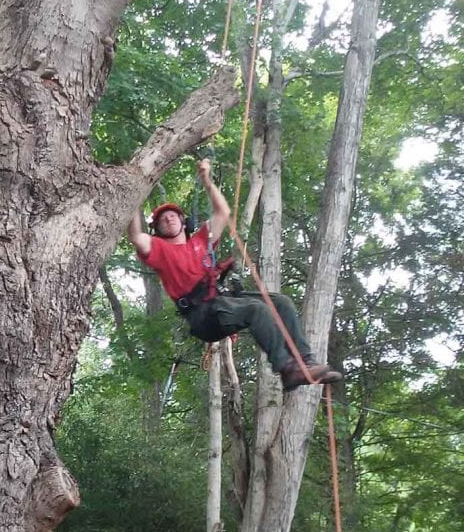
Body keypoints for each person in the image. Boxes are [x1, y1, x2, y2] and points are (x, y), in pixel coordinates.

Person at [126, 159, 343, 391]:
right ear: (157, 229)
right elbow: (137, 238)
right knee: (256, 309)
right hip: (203, 316)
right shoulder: (160, 250)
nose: (168, 219)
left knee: (280, 302)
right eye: (162, 219)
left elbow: (223, 212)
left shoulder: (200, 240)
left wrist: (207, 181)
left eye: (172, 216)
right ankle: (287, 370)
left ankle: (304, 361)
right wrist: (132, 197)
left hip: (221, 300)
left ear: (183, 221)